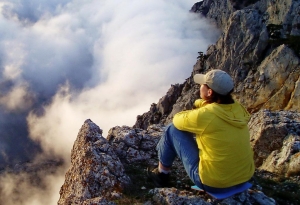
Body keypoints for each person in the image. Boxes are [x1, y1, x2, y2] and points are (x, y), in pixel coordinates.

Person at [148, 69, 255, 193]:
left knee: (172, 130)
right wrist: (203, 104)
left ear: (209, 92)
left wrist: (199, 106)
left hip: (214, 183)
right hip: (244, 177)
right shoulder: (238, 109)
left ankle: (162, 175)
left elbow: (177, 120)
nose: (200, 86)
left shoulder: (206, 115)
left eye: (203, 84)